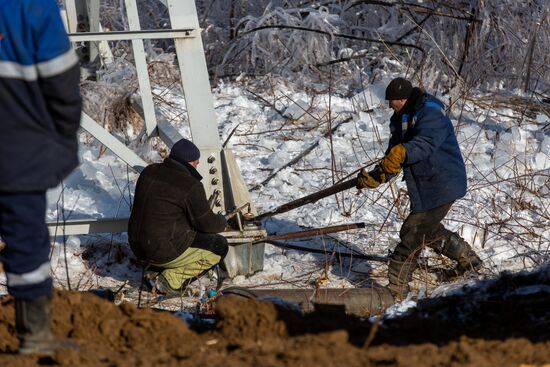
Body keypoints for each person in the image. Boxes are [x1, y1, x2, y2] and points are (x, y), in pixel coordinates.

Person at [0, 0, 82, 355]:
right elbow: (62, 83)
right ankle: (35, 337)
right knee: (26, 240)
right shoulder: (32, 7)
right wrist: (63, 134)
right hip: (18, 150)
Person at [356, 77, 482, 300]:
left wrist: (400, 153)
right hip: (425, 184)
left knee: (412, 232)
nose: (389, 106)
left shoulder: (431, 113)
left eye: (391, 101)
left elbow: (424, 143)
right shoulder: (400, 118)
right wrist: (380, 174)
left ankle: (396, 290)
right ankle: (468, 260)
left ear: (402, 99)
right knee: (428, 230)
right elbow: (395, 154)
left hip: (442, 182)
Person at [128, 138, 228, 297]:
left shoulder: (149, 171)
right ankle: (169, 281)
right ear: (189, 163)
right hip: (161, 250)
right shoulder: (190, 185)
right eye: (196, 162)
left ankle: (153, 271)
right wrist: (222, 221)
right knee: (218, 246)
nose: (198, 165)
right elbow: (207, 225)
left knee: (168, 230)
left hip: (137, 246)